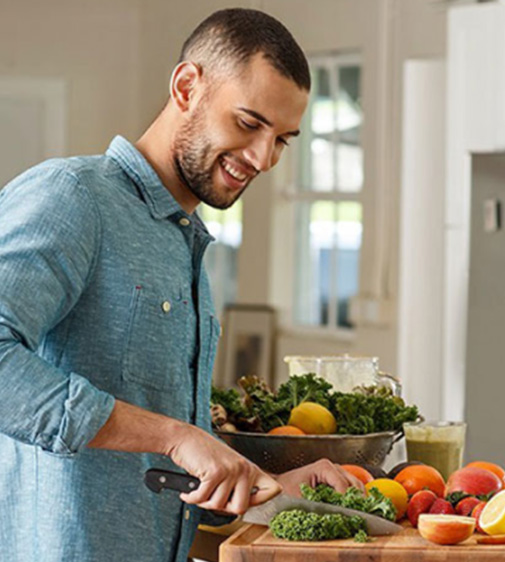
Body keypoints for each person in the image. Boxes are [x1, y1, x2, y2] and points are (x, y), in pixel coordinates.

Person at [0, 9, 363, 562]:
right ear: (187, 86)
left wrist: (264, 486)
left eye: (282, 140)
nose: (264, 159)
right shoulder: (73, 197)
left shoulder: (182, 241)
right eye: (248, 123)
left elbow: (155, 465)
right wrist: (177, 437)